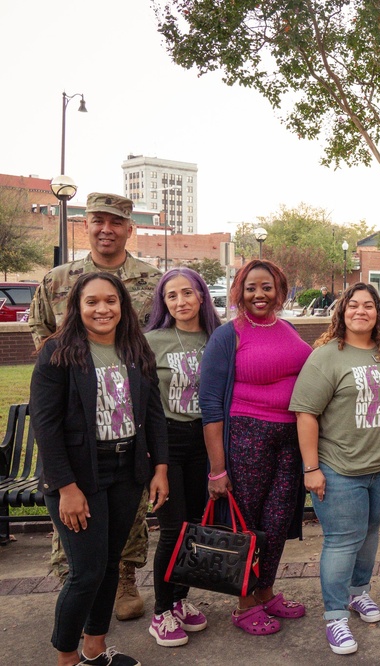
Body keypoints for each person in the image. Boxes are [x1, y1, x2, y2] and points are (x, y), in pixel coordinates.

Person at [28, 192, 162, 621]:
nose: (106, 228)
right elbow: (40, 326)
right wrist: (68, 372)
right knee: (76, 514)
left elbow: (161, 332)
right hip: (76, 413)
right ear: (86, 224)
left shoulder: (152, 280)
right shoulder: (58, 279)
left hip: (130, 413)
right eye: (98, 220)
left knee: (129, 509)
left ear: (129, 228)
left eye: (116, 221)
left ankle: (122, 577)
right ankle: (75, 583)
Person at [30, 272, 169, 666]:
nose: (102, 308)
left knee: (111, 564)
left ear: (123, 306)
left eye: (111, 300)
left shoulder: (135, 349)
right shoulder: (58, 352)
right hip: (78, 475)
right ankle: (66, 658)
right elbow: (46, 426)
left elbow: (154, 414)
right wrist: (66, 488)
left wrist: (159, 468)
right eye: (92, 301)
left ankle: (94, 649)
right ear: (77, 306)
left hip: (127, 471)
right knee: (86, 572)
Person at [200, 259, 313, 635]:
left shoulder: (289, 329)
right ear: (239, 292)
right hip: (247, 437)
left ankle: (265, 592)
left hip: (289, 440)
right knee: (245, 523)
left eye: (266, 287)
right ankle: (244, 602)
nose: (259, 294)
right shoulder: (227, 335)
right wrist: (217, 469)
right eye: (251, 288)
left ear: (279, 290)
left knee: (278, 521)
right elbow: (211, 404)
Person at [291, 282, 380, 655]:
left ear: (378, 314)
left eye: (368, 306)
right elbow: (306, 414)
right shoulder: (326, 357)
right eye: (352, 305)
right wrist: (311, 468)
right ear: (341, 312)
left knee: (369, 531)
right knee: (342, 540)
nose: (360, 311)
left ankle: (358, 593)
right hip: (339, 468)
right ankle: (335, 616)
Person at [144, 268, 222, 647]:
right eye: (171, 295)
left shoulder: (217, 338)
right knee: (173, 529)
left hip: (204, 440)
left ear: (202, 297)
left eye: (187, 293)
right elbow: (140, 401)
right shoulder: (151, 341)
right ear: (164, 302)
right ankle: (161, 611)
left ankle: (179, 601)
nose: (180, 301)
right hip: (166, 443)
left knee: (193, 527)